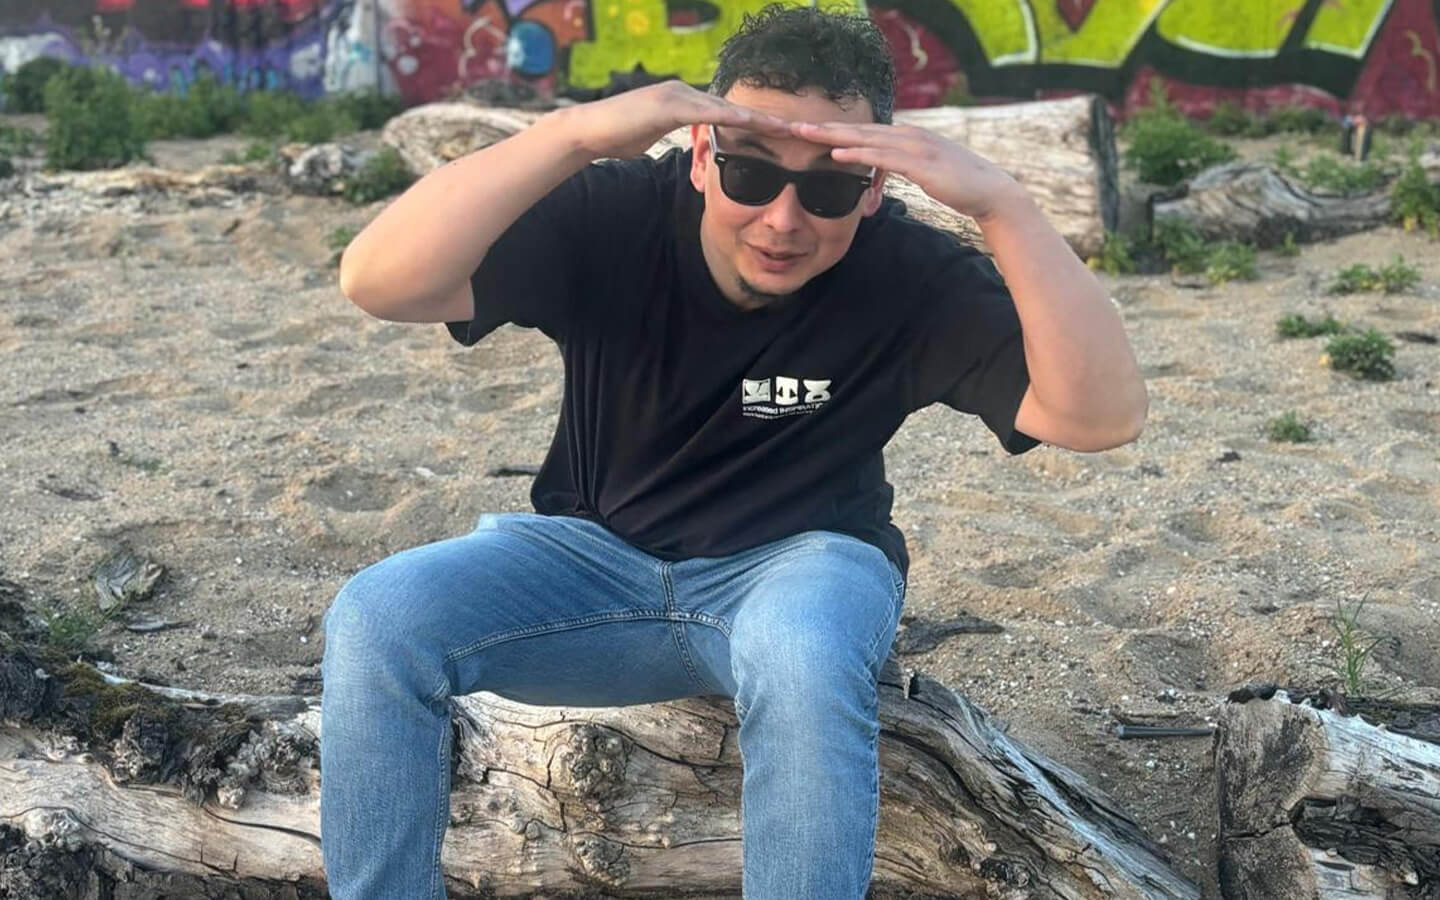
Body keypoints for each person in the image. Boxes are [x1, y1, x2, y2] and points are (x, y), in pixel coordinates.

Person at [323, 5, 1146, 898]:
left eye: (828, 190)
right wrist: (571, 136)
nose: (784, 220)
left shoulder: (910, 272)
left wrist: (1003, 206)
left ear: (873, 187)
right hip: (592, 562)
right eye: (750, 174)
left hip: (799, 567)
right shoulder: (620, 214)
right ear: (702, 158)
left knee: (801, 654)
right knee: (378, 616)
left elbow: (1098, 417)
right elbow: (379, 281)